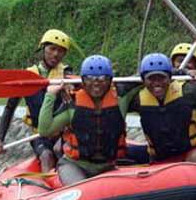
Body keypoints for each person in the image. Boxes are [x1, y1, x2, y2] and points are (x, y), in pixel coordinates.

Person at [37, 55, 128, 187]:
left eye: (102, 79)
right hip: (75, 165)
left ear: (110, 81)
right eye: (90, 79)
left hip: (108, 166)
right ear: (83, 81)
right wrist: (50, 94)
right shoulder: (73, 104)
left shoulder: (121, 99)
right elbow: (44, 130)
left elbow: (148, 80)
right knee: (82, 190)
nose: (96, 83)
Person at [0, 29, 73, 172]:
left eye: (61, 51)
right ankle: (47, 189)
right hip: (39, 134)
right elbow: (10, 108)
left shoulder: (67, 74)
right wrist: (0, 139)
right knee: (47, 155)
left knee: (61, 152)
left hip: (63, 133)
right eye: (52, 49)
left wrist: (69, 84)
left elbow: (74, 83)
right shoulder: (27, 77)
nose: (56, 54)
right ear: (43, 48)